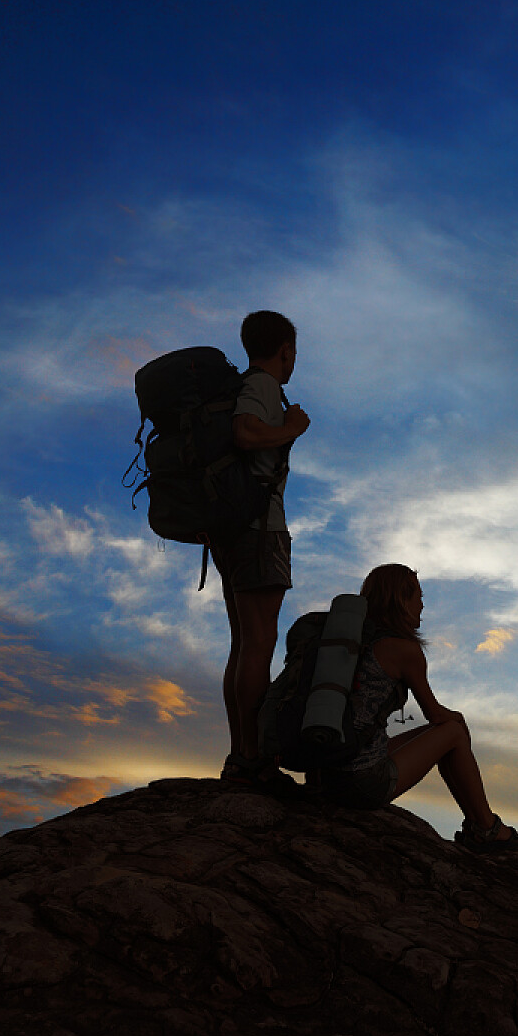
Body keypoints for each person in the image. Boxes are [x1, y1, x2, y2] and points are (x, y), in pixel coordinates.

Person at [313, 563, 518, 853]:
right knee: (453, 731)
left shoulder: (349, 641)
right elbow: (434, 714)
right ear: (401, 599)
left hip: (324, 774)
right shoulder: (404, 650)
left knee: (445, 732)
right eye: (419, 596)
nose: (422, 605)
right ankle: (486, 828)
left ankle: (479, 824)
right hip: (361, 784)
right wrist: (459, 719)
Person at [215, 309, 310, 790]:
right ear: (285, 350)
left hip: (232, 531)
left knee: (243, 644)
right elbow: (246, 432)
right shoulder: (262, 386)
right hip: (257, 530)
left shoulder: (244, 385)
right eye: (294, 351)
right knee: (257, 644)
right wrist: (293, 427)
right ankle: (251, 760)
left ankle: (242, 755)